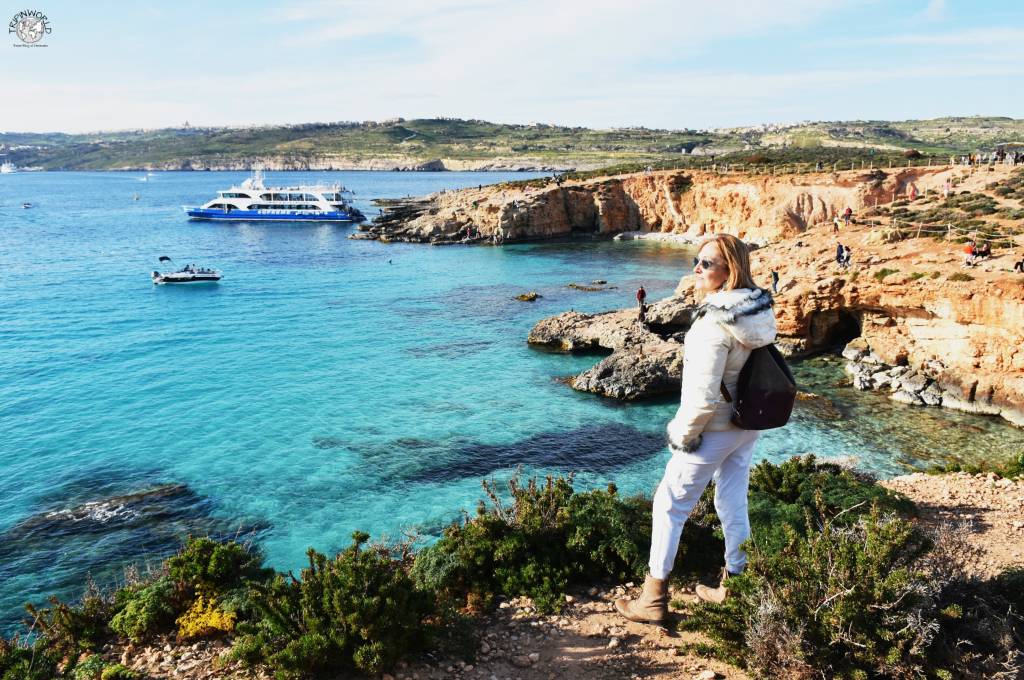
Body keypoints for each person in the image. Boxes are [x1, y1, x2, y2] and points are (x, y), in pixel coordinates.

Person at [615, 234, 777, 624]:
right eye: (697, 260)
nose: (696, 269)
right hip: (747, 422)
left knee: (669, 506)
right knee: (732, 500)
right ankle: (737, 585)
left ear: (728, 271)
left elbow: (703, 398)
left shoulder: (712, 325)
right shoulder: (758, 310)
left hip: (715, 428)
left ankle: (653, 597)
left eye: (706, 263)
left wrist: (683, 436)